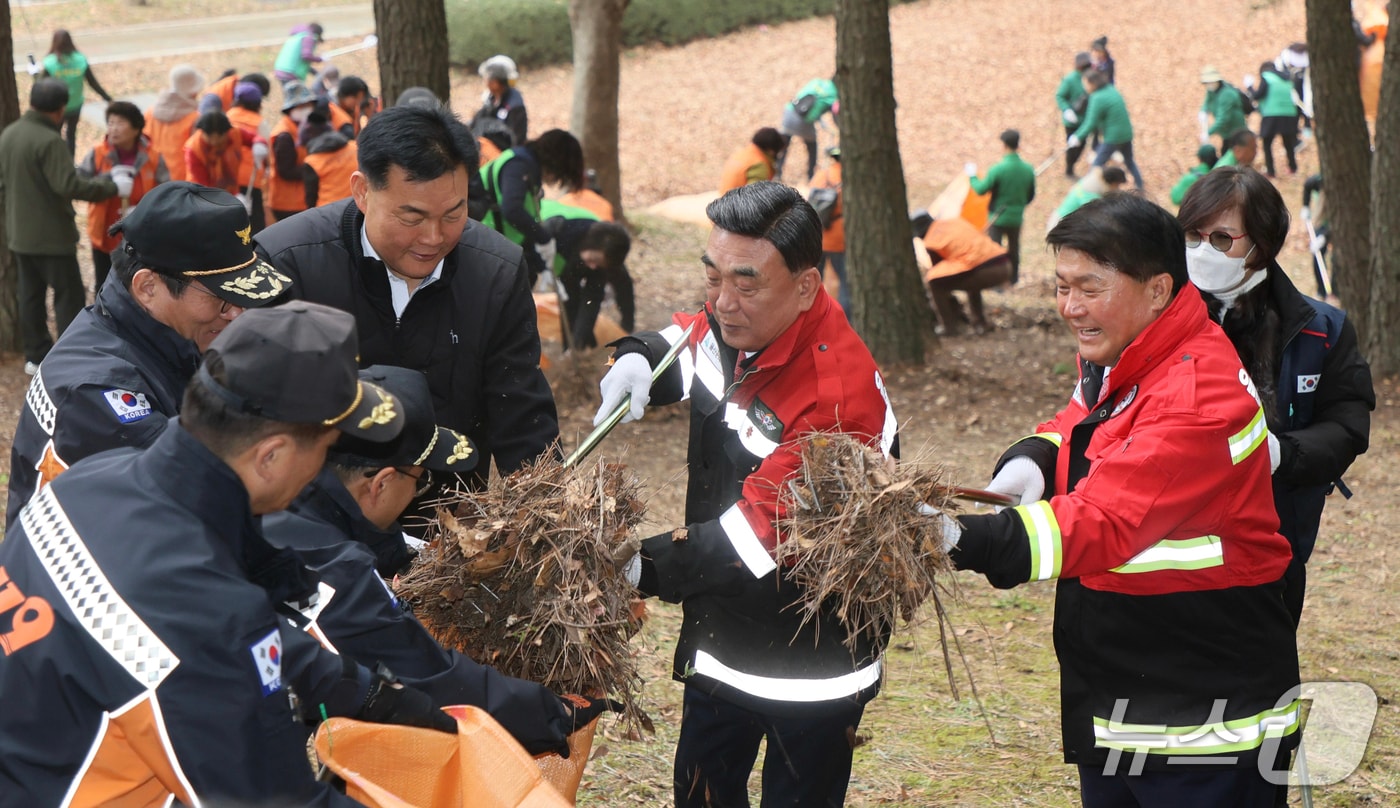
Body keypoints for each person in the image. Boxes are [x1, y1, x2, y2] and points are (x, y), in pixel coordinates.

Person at [0, 301, 459, 806]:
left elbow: (218, 639)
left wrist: (359, 689)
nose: (322, 468)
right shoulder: (206, 612)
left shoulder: (87, 481)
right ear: (271, 456)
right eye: (324, 449)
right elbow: (276, 799)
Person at [942, 193, 1300, 807]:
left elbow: (1104, 520)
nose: (1070, 308)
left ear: (1158, 289)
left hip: (1200, 722)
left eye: (1089, 288)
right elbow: (1085, 422)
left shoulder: (1194, 391)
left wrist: (960, 540)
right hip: (1128, 691)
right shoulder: (1135, 351)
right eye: (1060, 287)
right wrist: (1036, 455)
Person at [592, 182, 897, 808]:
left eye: (746, 283)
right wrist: (640, 356)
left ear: (808, 285)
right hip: (723, 636)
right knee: (702, 792)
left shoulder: (836, 399)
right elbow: (691, 341)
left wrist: (626, 565)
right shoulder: (739, 326)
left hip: (809, 660)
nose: (722, 302)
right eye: (713, 276)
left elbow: (755, 539)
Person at [263, 364, 618, 755]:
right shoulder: (334, 571)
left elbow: (370, 542)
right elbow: (424, 675)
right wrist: (548, 712)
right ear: (380, 483)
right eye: (420, 479)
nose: (419, 492)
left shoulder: (281, 503)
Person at [255, 103, 559, 491]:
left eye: (453, 214)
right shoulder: (288, 263)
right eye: (412, 217)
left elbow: (522, 413)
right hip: (323, 524)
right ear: (363, 192)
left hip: (450, 523)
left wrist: (547, 513)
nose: (434, 238)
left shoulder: (495, 272)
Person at [6, 181, 292, 528]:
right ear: (147, 287)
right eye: (221, 297)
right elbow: (203, 504)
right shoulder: (98, 392)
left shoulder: (159, 334)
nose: (237, 313)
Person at [1177, 166, 1373, 625]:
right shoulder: (1152, 317)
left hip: (1271, 542)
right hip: (1166, 548)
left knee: (1257, 685)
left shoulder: (1320, 330)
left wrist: (1280, 454)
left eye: (1222, 239)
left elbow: (1346, 425)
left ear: (1260, 245)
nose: (1204, 251)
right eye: (1191, 235)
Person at [0, 79, 118, 376]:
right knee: (69, 295)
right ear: (61, 108)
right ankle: (70, 354)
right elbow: (68, 185)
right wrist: (111, 186)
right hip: (51, 236)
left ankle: (36, 354)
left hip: (20, 234)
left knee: (30, 295)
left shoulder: (10, 133)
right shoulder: (49, 140)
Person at [77, 101, 170, 292]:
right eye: (110, 123)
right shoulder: (98, 153)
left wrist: (144, 209)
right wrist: (109, 180)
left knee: (136, 285)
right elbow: (80, 185)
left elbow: (166, 193)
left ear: (136, 128)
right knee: (103, 284)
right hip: (104, 233)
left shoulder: (153, 156)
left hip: (140, 235)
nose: (113, 129)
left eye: (120, 123)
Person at [479, 128, 586, 283]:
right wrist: (543, 237)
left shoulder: (528, 170)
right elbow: (512, 210)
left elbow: (521, 229)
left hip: (497, 245)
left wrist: (542, 267)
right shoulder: (517, 165)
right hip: (482, 245)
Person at [539, 198, 634, 349]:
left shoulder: (602, 258)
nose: (593, 266)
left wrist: (578, 342)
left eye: (599, 264)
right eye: (594, 259)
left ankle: (578, 345)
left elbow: (593, 298)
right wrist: (542, 268)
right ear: (590, 243)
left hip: (571, 258)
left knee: (584, 304)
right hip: (549, 244)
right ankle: (571, 346)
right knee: (570, 298)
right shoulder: (560, 229)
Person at [916, 210, 1013, 335]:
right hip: (1004, 264)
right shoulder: (954, 222)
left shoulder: (931, 240)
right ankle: (979, 322)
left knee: (935, 284)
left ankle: (948, 327)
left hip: (987, 270)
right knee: (969, 275)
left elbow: (939, 272)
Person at [969, 129, 1036, 284]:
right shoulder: (1028, 169)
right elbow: (1030, 195)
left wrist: (972, 176)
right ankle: (1014, 279)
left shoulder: (997, 169)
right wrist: (1018, 206)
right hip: (1016, 218)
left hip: (997, 218)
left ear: (1004, 145)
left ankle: (997, 282)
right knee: (1014, 249)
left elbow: (980, 189)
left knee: (995, 250)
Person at [1068, 69, 1143, 190]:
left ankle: (1087, 190)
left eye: (1085, 84)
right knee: (1129, 161)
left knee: (1097, 164)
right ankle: (1140, 186)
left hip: (1114, 137)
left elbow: (1090, 122)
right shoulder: (1111, 89)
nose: (1084, 87)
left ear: (1092, 83)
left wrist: (1077, 137)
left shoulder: (1097, 98)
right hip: (1127, 133)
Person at [39, 29, 112, 155]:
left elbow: (41, 85)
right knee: (71, 134)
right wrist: (107, 98)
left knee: (55, 134)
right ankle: (70, 162)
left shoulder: (50, 62)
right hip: (75, 105)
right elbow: (92, 82)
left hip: (57, 108)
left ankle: (57, 159)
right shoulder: (80, 60)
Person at [267, 81, 318, 222]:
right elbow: (286, 170)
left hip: (299, 200)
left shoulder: (304, 128)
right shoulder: (285, 135)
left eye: (308, 105)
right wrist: (315, 169)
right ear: (291, 109)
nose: (307, 109)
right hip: (288, 203)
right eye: (301, 106)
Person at [146, 65, 204, 183]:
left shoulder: (150, 113)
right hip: (182, 183)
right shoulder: (195, 119)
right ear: (193, 92)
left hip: (151, 179)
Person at [226, 81, 271, 231]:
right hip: (252, 180)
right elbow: (268, 153)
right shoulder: (259, 123)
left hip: (228, 178)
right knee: (254, 225)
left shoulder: (227, 117)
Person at [777, 76, 838, 182]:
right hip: (804, 122)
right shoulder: (834, 95)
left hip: (789, 112)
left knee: (784, 144)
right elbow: (836, 113)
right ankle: (811, 177)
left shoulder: (817, 82)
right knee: (812, 146)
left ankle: (777, 172)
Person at [810, 145, 848, 312]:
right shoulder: (850, 178)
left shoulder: (821, 175)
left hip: (817, 237)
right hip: (840, 239)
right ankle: (847, 321)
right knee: (847, 285)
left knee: (811, 284)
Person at [1247, 61, 1300, 177]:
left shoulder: (1267, 77)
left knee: (1267, 143)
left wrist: (1249, 87)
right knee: (1288, 143)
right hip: (1289, 114)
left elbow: (1258, 95)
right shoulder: (1287, 79)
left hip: (1272, 114)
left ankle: (1271, 171)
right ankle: (1293, 168)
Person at [301, 117, 359, 207]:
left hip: (328, 211)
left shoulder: (312, 162)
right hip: (356, 204)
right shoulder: (354, 146)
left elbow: (311, 197)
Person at [473, 54, 528, 146]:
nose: (486, 82)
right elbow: (477, 123)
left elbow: (516, 138)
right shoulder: (491, 99)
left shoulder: (514, 104)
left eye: (488, 79)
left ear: (496, 82)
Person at [1048, 166, 1126, 230]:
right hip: (1060, 226)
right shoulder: (1091, 196)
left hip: (1060, 221)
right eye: (1117, 185)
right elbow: (1096, 219)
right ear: (1112, 182)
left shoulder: (1091, 182)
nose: (1117, 188)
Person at [183, 111, 243, 195]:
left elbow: (254, 138)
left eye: (220, 136)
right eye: (210, 137)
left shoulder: (234, 133)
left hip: (229, 191)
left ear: (226, 132)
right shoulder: (193, 150)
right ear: (202, 132)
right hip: (201, 194)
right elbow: (204, 186)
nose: (214, 141)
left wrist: (258, 144)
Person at [1056, 52, 1093, 177]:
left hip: (1086, 120)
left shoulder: (1091, 78)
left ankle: (1073, 163)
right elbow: (1060, 96)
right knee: (1072, 147)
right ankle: (1069, 168)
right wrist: (1067, 110)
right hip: (1072, 121)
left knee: (1082, 145)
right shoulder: (1070, 80)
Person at [1199, 66, 1250, 154]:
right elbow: (1207, 102)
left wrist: (1208, 133)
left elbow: (1223, 119)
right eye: (1207, 83)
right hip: (1227, 133)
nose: (1209, 85)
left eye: (1211, 82)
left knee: (1235, 155)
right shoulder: (1212, 91)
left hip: (1236, 130)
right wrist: (1203, 111)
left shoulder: (1226, 94)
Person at [718, 127, 785, 193]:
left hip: (725, 200)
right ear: (771, 150)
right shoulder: (759, 164)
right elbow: (754, 197)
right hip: (738, 202)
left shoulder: (741, 154)